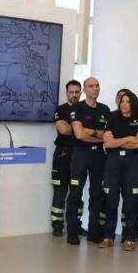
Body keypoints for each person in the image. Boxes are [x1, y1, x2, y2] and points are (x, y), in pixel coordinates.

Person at [67, 76, 110, 245]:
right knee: (76, 194)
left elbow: (107, 135)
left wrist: (90, 132)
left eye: (97, 85)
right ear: (84, 90)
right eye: (91, 86)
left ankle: (93, 232)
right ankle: (72, 232)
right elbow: (79, 134)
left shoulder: (105, 109)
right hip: (80, 155)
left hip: (99, 156)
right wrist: (98, 135)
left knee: (97, 194)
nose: (95, 88)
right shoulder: (77, 108)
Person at [101, 91, 138, 250]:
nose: (124, 104)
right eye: (122, 101)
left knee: (131, 202)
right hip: (113, 163)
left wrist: (117, 141)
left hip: (132, 163)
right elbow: (107, 143)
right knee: (111, 201)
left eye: (127, 101)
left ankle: (129, 238)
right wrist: (128, 138)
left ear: (132, 103)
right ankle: (108, 236)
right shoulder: (112, 118)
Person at [50, 80, 82, 237]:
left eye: (77, 92)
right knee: (60, 191)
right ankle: (57, 224)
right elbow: (63, 130)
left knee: (77, 191)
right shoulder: (60, 109)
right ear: (66, 92)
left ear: (81, 92)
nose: (74, 95)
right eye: (71, 92)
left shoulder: (84, 108)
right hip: (62, 154)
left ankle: (76, 224)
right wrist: (80, 130)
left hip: (79, 154)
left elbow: (79, 131)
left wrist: (79, 130)